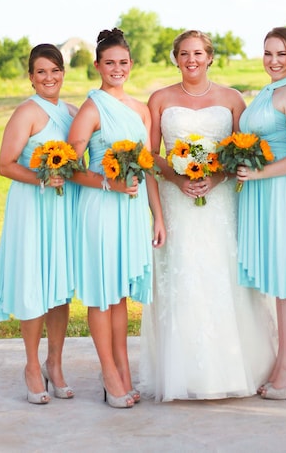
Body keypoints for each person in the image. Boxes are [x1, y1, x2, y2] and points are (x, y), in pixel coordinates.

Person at [139, 29, 277, 401]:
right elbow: (151, 154)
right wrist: (176, 176)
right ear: (176, 58)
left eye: (198, 53)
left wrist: (214, 177)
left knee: (223, 274)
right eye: (183, 54)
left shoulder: (231, 98)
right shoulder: (160, 99)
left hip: (220, 202)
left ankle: (237, 366)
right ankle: (186, 373)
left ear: (210, 56)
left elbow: (245, 150)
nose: (191, 60)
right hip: (175, 200)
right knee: (185, 277)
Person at [68, 28, 165, 409]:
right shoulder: (92, 108)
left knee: (121, 294)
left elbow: (149, 168)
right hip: (101, 208)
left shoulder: (141, 110)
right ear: (97, 66)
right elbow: (71, 168)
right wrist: (108, 182)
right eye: (109, 63)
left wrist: (157, 216)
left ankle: (123, 370)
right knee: (101, 292)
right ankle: (109, 375)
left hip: (131, 211)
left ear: (131, 64)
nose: (117, 69)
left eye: (123, 62)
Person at [0, 43, 78, 404]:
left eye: (54, 70)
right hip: (33, 206)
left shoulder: (72, 112)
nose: (49, 77)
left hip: (64, 208)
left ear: (62, 73)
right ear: (30, 77)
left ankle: (54, 363)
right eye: (41, 72)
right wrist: (42, 179)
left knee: (60, 285)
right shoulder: (26, 113)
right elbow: (5, 164)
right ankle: (30, 365)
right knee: (33, 282)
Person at [235, 27, 286, 400]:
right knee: (277, 279)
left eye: (281, 54)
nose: (273, 61)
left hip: (285, 191)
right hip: (261, 193)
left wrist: (260, 172)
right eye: (268, 53)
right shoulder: (267, 92)